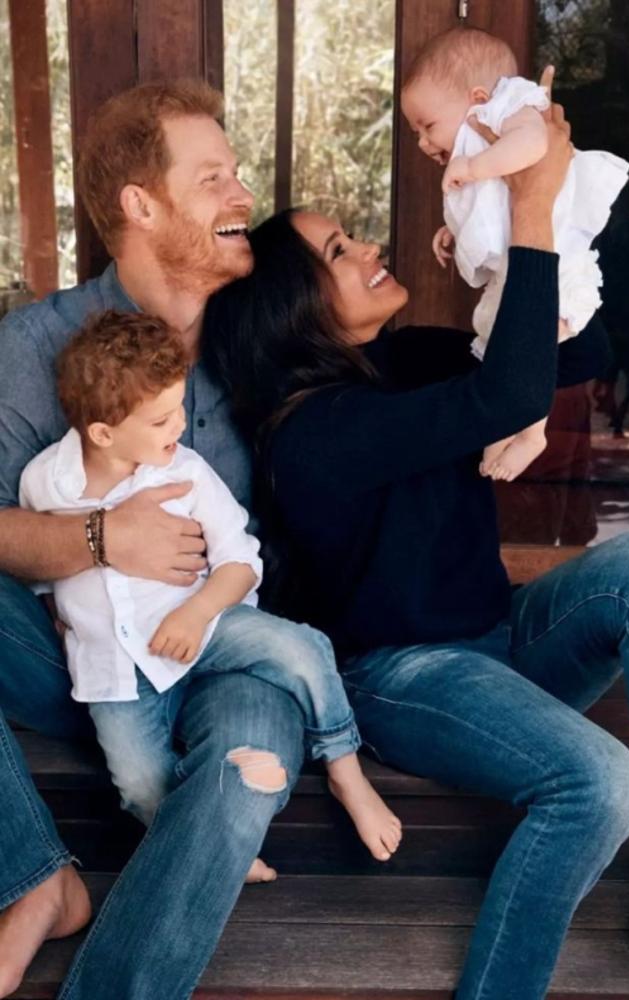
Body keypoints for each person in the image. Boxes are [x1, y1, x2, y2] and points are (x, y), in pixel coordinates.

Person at [202, 97, 629, 1000]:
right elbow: (503, 400)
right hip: (407, 677)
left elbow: (578, 352)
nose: (368, 247)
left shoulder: (406, 361)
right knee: (598, 783)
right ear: (295, 307)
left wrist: (508, 265)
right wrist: (526, 199)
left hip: (501, 639)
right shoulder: (313, 433)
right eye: (338, 251)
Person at [1, 78, 313, 1000]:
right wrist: (102, 538)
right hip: (86, 665)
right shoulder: (34, 348)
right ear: (141, 205)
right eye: (212, 177)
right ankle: (34, 878)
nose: (242, 196)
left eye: (236, 173)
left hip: (230, 656)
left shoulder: (260, 342)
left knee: (240, 773)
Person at [19, 309, 401, 856]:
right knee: (138, 782)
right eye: (160, 420)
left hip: (209, 621)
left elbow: (242, 561)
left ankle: (344, 768)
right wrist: (61, 615)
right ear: (102, 432)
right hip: (116, 670)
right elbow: (44, 568)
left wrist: (196, 614)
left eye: (179, 408)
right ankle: (204, 847)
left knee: (303, 649)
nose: (178, 426)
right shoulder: (45, 482)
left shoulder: (186, 472)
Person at [401, 28, 628, 481]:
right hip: (522, 263)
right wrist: (454, 230)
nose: (424, 143)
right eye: (415, 133)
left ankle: (532, 431)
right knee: (499, 341)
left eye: (428, 126)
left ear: (479, 98)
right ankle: (508, 423)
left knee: (531, 343)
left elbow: (534, 146)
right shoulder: (481, 143)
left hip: (557, 261)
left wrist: (473, 166)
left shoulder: (513, 108)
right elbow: (494, 208)